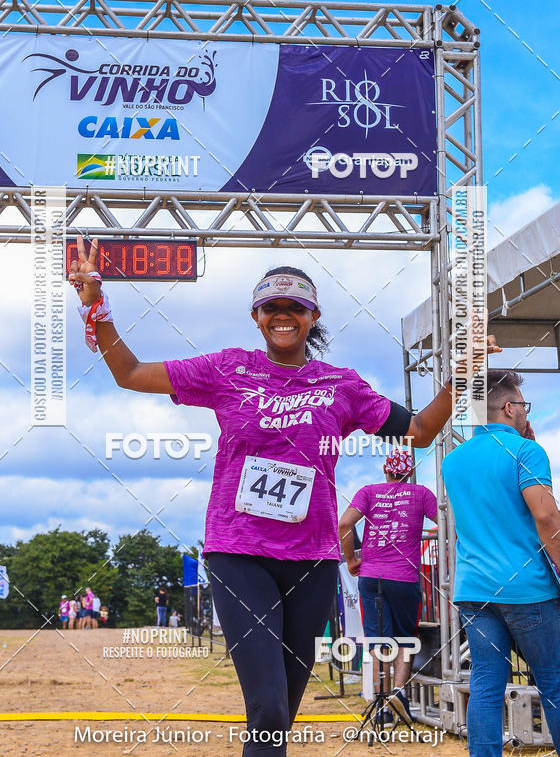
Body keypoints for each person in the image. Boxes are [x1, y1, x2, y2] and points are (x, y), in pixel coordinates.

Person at [69, 238, 497, 756]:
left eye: (295, 307)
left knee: (278, 720)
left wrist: (462, 376)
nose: (283, 316)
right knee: (268, 707)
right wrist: (97, 305)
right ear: (256, 317)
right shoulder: (227, 369)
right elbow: (131, 374)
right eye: (271, 307)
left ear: (313, 316)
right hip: (239, 553)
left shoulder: (342, 385)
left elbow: (420, 432)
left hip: (312, 561)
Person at [442, 369, 560, 757]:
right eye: (524, 406)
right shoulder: (527, 452)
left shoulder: (453, 460)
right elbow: (546, 517)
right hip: (528, 588)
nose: (526, 413)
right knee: (554, 683)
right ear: (509, 408)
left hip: (474, 590)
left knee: (487, 684)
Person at [338, 450, 437, 723]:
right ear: (410, 472)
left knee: (378, 640)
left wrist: (351, 560)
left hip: (371, 577)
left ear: (385, 469)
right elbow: (447, 520)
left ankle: (381, 707)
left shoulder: (368, 492)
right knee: (405, 638)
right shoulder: (422, 493)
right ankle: (398, 692)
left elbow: (344, 524)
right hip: (404, 578)